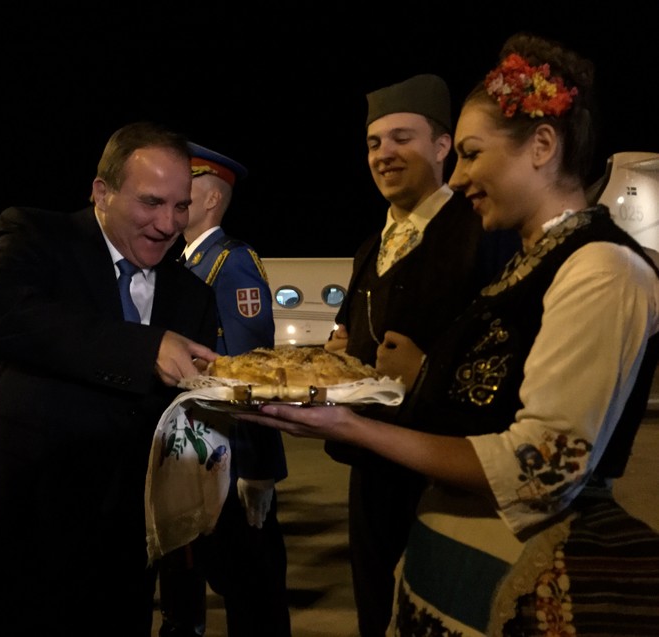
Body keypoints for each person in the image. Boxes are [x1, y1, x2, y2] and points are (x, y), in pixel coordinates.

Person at [241, 32, 659, 635]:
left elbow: (538, 468)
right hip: (458, 563)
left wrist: (350, 422)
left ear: (542, 145)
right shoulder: (532, 261)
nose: (457, 177)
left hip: (524, 576)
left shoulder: (600, 269)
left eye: (469, 153)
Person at [0, 121, 219, 636]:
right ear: (102, 192)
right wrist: (146, 348)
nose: (168, 224)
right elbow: (4, 316)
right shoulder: (35, 235)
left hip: (120, 548)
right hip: (13, 528)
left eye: (181, 206)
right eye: (151, 202)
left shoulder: (193, 295)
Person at [322, 73, 518, 636]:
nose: (384, 155)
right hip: (370, 468)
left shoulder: (484, 231)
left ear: (442, 147)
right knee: (373, 612)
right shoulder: (370, 246)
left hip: (447, 472)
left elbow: (510, 359)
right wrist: (338, 353)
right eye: (374, 143)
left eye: (401, 138)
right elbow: (349, 335)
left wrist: (427, 371)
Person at [156, 142, 289, 637]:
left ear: (210, 199)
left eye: (185, 186)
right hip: (195, 459)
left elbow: (251, 371)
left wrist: (259, 469)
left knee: (254, 598)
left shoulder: (231, 263)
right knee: (194, 588)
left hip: (233, 463)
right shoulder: (185, 264)